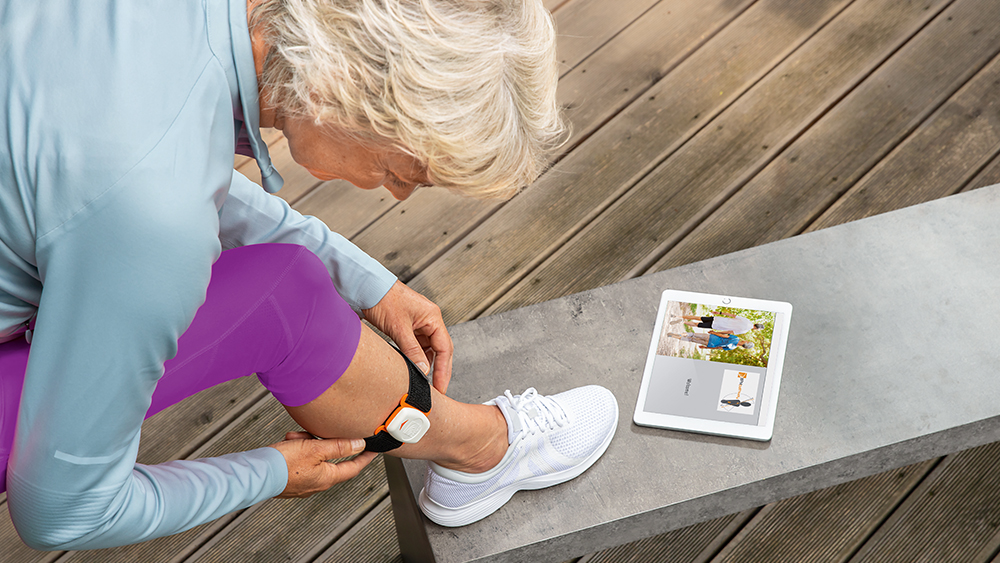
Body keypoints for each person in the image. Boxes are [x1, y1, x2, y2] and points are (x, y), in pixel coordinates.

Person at [0, 0, 618, 550]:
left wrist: (369, 282)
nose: (400, 194)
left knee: (283, 282)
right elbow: (64, 512)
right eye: (407, 171)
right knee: (284, 296)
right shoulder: (152, 212)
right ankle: (481, 452)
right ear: (341, 86)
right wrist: (272, 471)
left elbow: (149, 168)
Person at [677, 311, 764, 335]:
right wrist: (716, 333)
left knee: (698, 318)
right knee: (697, 324)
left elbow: (732, 315)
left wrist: (720, 313)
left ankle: (680, 317)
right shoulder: (744, 331)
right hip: (717, 325)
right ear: (756, 328)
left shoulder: (747, 320)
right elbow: (729, 332)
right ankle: (682, 321)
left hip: (718, 319)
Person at [665, 331, 755, 351]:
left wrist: (714, 332)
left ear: (746, 342)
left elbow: (723, 335)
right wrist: (706, 347)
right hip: (710, 343)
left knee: (693, 334)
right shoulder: (732, 347)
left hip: (712, 337)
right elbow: (718, 348)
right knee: (691, 340)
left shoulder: (736, 338)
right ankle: (674, 337)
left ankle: (680, 334)